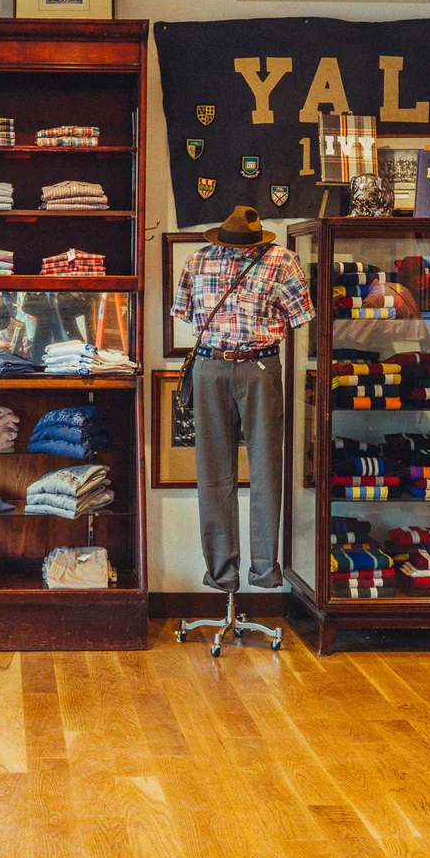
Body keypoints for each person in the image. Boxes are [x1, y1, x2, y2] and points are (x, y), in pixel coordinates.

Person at [171, 205, 313, 591]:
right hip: (209, 366)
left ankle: (265, 570)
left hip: (260, 367)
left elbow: (302, 315)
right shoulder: (196, 262)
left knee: (267, 468)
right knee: (212, 472)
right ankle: (221, 573)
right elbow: (185, 312)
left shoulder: (282, 262)